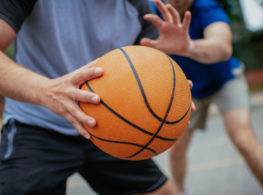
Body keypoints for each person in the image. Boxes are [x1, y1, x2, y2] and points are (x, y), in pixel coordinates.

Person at [0, 0, 198, 194]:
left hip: (110, 127)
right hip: (38, 125)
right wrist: (47, 90)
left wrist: (171, 93)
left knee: (163, 192)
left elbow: (143, 77)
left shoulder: (139, 7)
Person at [141, 0, 263, 194]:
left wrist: (188, 47)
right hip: (187, 89)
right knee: (176, 150)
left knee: (244, 140)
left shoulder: (206, 7)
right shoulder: (150, 14)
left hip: (225, 80)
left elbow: (222, 47)